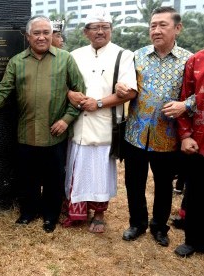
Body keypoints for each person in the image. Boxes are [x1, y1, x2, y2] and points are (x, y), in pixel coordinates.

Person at [0, 15, 85, 233]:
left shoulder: (66, 59)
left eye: (46, 32)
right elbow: (2, 91)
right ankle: (28, 212)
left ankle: (50, 215)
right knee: (27, 177)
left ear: (52, 35)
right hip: (26, 132)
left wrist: (66, 119)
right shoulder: (17, 62)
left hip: (55, 132)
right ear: (27, 36)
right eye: (37, 33)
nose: (42, 37)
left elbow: (80, 94)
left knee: (54, 177)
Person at [121, 6, 193, 247]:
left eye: (163, 25)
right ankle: (137, 223)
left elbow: (199, 94)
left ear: (177, 28)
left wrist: (185, 104)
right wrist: (120, 89)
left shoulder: (189, 60)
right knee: (134, 182)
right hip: (135, 134)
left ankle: (159, 227)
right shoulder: (136, 55)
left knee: (163, 185)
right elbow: (124, 86)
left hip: (169, 136)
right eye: (153, 25)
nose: (157, 30)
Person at [63, 7, 137, 233]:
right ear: (86, 32)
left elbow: (131, 92)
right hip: (77, 123)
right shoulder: (74, 55)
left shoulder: (123, 55)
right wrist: (69, 94)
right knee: (76, 166)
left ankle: (99, 213)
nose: (100, 32)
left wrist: (99, 103)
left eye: (105, 27)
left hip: (105, 124)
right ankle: (76, 211)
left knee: (100, 172)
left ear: (111, 30)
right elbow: (64, 85)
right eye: (95, 28)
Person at [174, 48, 204, 257]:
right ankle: (193, 240)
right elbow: (184, 100)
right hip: (199, 141)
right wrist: (185, 135)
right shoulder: (197, 60)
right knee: (196, 193)